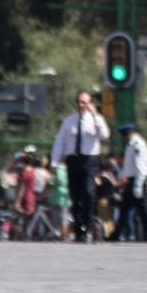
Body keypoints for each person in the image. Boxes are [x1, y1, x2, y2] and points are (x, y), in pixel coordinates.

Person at [51, 91, 111, 242]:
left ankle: (88, 224)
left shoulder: (96, 120)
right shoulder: (69, 121)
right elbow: (60, 142)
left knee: (89, 192)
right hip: (73, 160)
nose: (80, 105)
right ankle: (79, 228)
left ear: (90, 103)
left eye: (84, 102)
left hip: (90, 159)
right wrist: (54, 162)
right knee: (76, 195)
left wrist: (96, 115)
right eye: (78, 102)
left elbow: (105, 135)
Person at [110, 123, 147, 242]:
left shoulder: (137, 144)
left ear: (128, 133)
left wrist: (138, 185)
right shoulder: (130, 145)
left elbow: (141, 167)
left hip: (138, 180)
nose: (123, 137)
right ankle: (116, 235)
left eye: (124, 134)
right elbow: (128, 166)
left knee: (144, 212)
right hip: (132, 181)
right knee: (125, 210)